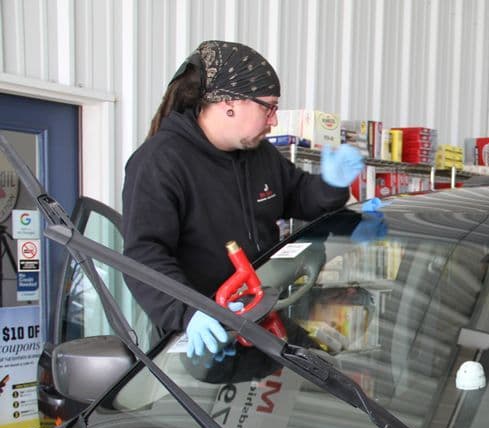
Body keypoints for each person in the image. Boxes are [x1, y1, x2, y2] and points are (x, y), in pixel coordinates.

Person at [122, 40, 365, 360]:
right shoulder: (159, 162)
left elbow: (300, 196)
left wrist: (331, 184)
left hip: (260, 324)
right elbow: (143, 256)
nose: (274, 120)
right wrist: (188, 313)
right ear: (230, 104)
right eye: (269, 107)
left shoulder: (259, 155)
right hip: (200, 339)